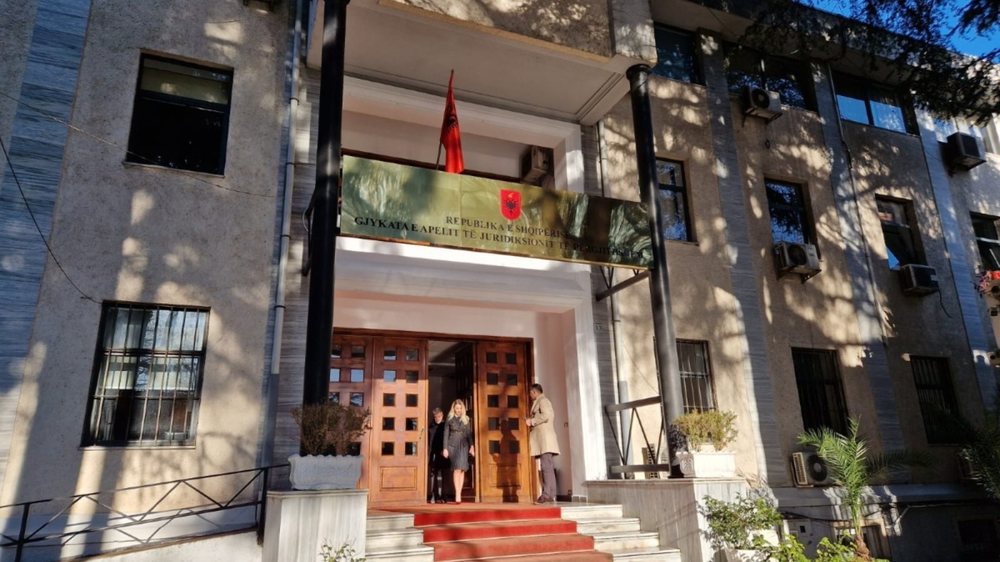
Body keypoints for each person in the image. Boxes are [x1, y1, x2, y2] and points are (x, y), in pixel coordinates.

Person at [526, 383, 559, 504]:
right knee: (548, 467)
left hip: (545, 440)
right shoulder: (541, 401)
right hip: (544, 440)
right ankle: (551, 494)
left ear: (534, 392)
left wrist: (532, 421)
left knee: (546, 467)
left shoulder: (543, 401)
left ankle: (546, 495)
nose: (530, 395)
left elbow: (546, 415)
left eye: (530, 393)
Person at [442, 399, 474, 504]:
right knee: (456, 469)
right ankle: (457, 494)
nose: (458, 410)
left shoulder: (466, 419)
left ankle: (459, 492)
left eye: (460, 408)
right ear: (454, 408)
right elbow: (446, 434)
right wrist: (445, 448)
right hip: (453, 446)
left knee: (462, 469)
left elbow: (469, 434)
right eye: (457, 408)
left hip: (464, 446)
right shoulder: (449, 418)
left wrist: (472, 446)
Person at [427, 407, 448, 503]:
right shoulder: (431, 427)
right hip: (434, 453)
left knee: (444, 475)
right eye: (435, 416)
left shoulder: (446, 426)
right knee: (434, 475)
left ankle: (444, 496)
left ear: (442, 415)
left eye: (439, 416)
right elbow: (429, 441)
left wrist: (446, 450)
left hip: (443, 452)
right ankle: (434, 495)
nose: (437, 418)